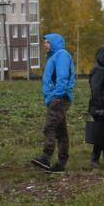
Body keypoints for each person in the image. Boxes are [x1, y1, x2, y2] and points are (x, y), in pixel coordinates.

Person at [31, 32, 75, 172]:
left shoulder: (61, 55)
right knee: (61, 131)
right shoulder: (53, 57)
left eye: (48, 42)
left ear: (55, 43)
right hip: (56, 98)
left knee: (49, 127)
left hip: (60, 98)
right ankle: (61, 163)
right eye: (44, 42)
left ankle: (46, 157)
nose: (45, 45)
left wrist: (57, 96)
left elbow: (62, 76)